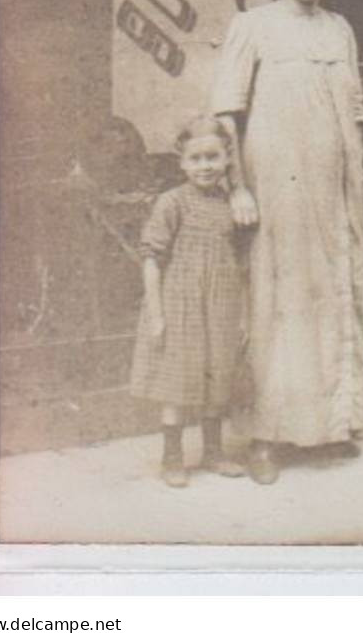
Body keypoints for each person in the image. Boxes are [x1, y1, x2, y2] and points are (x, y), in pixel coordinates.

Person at [212, 0, 363, 485]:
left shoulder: (340, 29)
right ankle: (266, 437)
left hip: (335, 184)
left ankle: (325, 425)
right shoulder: (252, 27)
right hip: (275, 180)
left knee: (332, 293)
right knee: (276, 300)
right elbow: (226, 111)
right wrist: (238, 186)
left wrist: (359, 176)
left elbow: (352, 110)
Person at [128, 116, 248, 488]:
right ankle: (173, 457)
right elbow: (151, 257)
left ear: (228, 158)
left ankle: (213, 452)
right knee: (177, 383)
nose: (205, 166)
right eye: (195, 159)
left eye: (213, 157)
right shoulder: (172, 202)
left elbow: (240, 261)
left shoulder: (232, 203)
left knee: (217, 377)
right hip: (180, 303)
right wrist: (157, 314)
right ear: (182, 162)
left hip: (221, 303)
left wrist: (243, 312)